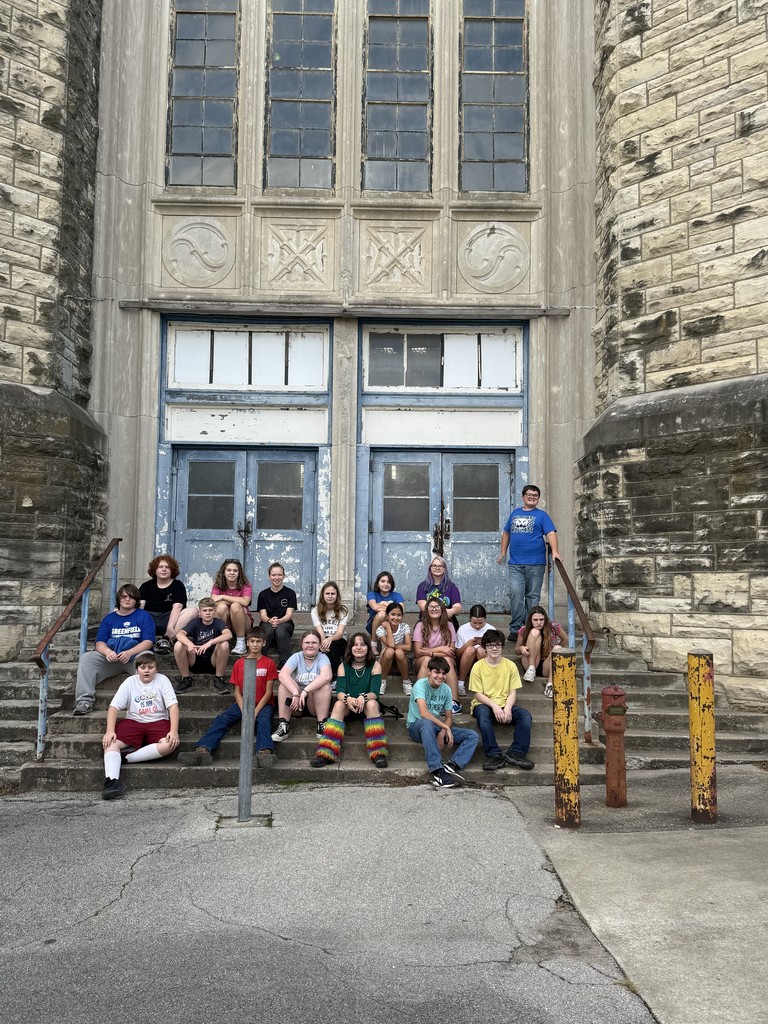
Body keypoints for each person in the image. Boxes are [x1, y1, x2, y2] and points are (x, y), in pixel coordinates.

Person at [177, 627, 279, 769]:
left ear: (263, 643)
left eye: (258, 641)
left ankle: (264, 752)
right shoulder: (239, 663)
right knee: (222, 719)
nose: (255, 644)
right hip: (242, 702)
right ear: (247, 643)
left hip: (263, 703)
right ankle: (202, 749)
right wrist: (244, 709)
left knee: (263, 721)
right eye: (252, 641)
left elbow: (269, 692)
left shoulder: (269, 663)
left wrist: (255, 711)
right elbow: (236, 691)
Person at [100, 652, 179, 800]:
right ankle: (111, 782)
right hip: (134, 722)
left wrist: (174, 732)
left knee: (170, 744)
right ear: (137, 670)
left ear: (156, 669)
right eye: (143, 667)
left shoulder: (163, 680)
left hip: (158, 721)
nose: (147, 670)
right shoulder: (130, 682)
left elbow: (173, 707)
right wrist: (109, 731)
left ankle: (127, 758)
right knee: (110, 743)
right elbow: (113, 707)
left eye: (151, 667)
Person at [73, 584, 156, 716]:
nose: (127, 599)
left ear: (136, 600)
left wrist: (130, 652)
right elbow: (99, 642)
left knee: (147, 658)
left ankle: (146, 703)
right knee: (86, 658)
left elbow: (148, 642)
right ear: (118, 599)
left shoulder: (144, 616)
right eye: (124, 597)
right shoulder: (109, 619)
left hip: (134, 657)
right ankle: (84, 701)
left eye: (131, 597)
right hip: (111, 658)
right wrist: (108, 652)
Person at [310, 632, 388, 769]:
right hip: (348, 705)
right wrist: (349, 699)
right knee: (339, 704)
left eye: (363, 645)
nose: (359, 647)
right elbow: (340, 692)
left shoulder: (375, 666)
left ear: (368, 648)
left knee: (371, 703)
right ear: (350, 648)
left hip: (368, 707)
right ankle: (326, 752)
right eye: (355, 645)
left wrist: (362, 698)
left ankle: (378, 753)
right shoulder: (343, 666)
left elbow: (375, 693)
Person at [497, 484, 561, 639]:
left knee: (532, 596)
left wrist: (555, 551)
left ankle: (529, 628)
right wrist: (503, 553)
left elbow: (551, 533)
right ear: (523, 497)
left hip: (536, 563)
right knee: (516, 594)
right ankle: (515, 628)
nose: (532, 498)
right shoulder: (515, 514)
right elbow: (506, 533)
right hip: (516, 564)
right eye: (529, 495)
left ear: (538, 499)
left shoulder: (542, 516)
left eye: (535, 496)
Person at [406, 656, 479, 789]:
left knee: (472, 735)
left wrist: (443, 731)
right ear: (429, 671)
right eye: (436, 672)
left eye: (444, 673)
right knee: (426, 723)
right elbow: (424, 713)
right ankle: (437, 770)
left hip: (435, 727)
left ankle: (452, 765)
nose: (440, 676)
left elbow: (449, 717)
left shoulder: (446, 690)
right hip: (416, 726)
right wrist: (445, 727)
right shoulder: (420, 685)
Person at [470, 629, 534, 772]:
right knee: (483, 716)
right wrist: (494, 706)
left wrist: (508, 708)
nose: (494, 648)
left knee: (525, 715)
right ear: (485, 647)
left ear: (502, 647)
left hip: (505, 704)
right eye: (491, 645)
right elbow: (478, 694)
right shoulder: (478, 666)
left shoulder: (510, 666)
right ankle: (494, 754)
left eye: (498, 645)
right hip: (484, 704)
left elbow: (512, 692)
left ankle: (517, 752)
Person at [272, 629, 332, 742]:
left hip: (314, 703)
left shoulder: (322, 657)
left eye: (314, 643)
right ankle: (283, 726)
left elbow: (327, 676)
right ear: (301, 644)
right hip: (296, 704)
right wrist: (296, 693)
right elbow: (282, 675)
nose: (310, 645)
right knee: (284, 685)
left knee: (325, 685)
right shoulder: (296, 657)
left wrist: (306, 691)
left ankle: (322, 725)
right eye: (307, 642)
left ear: (319, 645)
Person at [138, 554, 197, 654]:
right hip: (149, 619)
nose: (164, 569)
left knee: (193, 611)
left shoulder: (178, 585)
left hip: (170, 619)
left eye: (167, 567)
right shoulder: (146, 586)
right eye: (160, 567)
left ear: (172, 570)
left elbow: (177, 607)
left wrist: (170, 627)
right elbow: (139, 606)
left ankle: (165, 639)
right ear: (154, 570)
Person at [173, 596, 232, 694]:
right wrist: (189, 643)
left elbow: (228, 634)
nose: (208, 613)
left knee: (224, 644)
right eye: (205, 610)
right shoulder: (196, 622)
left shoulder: (218, 622)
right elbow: (179, 634)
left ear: (214, 611)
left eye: (210, 610)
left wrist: (210, 642)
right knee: (179, 645)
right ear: (200, 613)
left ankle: (219, 679)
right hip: (195, 659)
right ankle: (186, 679)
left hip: (213, 661)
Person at [412, 598, 461, 715]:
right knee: (426, 660)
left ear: (442, 609)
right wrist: (439, 650)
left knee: (448, 660)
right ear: (426, 610)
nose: (434, 609)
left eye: (437, 606)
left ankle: (454, 702)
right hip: (422, 660)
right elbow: (418, 652)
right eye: (431, 607)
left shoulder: (449, 625)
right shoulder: (420, 625)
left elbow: (451, 652)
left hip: (444, 661)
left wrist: (430, 652)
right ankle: (420, 699)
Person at [515, 605, 567, 698]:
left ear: (545, 619)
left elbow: (564, 639)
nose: (539, 622)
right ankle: (531, 669)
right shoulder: (524, 629)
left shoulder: (553, 626)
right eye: (535, 620)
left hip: (546, 665)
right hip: (530, 661)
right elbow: (516, 650)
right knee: (535, 632)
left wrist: (556, 651)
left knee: (558, 648)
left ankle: (550, 684)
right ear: (530, 620)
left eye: (541, 619)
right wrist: (522, 648)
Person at [256, 562, 297, 669]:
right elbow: (263, 616)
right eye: (274, 575)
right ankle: (261, 659)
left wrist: (279, 621)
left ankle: (284, 660)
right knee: (267, 630)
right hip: (267, 623)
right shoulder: (263, 594)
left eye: (279, 574)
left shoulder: (290, 593)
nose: (277, 577)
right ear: (269, 576)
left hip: (285, 623)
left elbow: (289, 615)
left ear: (284, 576)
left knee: (281, 630)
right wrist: (270, 620)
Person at [211, 559, 253, 655]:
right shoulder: (217, 585)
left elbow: (246, 601)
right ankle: (220, 639)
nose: (232, 573)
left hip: (243, 624)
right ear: (224, 572)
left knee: (235, 606)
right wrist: (238, 602)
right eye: (229, 570)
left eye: (235, 571)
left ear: (239, 573)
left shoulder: (246, 585)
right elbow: (213, 601)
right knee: (221, 607)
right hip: (226, 624)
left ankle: (241, 643)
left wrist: (222, 597)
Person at [310, 580, 349, 678]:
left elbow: (340, 633)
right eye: (327, 593)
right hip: (323, 638)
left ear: (337, 595)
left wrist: (330, 639)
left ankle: (334, 676)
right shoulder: (315, 611)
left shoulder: (343, 611)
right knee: (324, 649)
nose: (330, 596)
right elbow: (319, 630)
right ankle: (328, 676)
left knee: (334, 646)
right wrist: (323, 642)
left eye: (333, 593)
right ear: (323, 595)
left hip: (338, 639)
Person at [455, 604, 494, 698]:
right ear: (469, 619)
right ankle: (461, 683)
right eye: (474, 623)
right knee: (470, 649)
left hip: (483, 660)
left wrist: (485, 645)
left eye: (480, 623)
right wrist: (467, 645)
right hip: (465, 661)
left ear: (485, 619)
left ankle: (484, 683)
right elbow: (457, 653)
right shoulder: (463, 629)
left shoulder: (491, 629)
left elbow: (495, 652)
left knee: (481, 650)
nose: (477, 626)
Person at [375, 601, 412, 695]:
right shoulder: (381, 629)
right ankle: (382, 681)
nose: (396, 618)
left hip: (401, 662)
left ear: (402, 617)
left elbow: (408, 647)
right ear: (387, 616)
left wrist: (390, 647)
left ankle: (406, 682)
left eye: (399, 615)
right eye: (393, 614)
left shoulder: (405, 627)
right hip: (386, 662)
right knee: (390, 651)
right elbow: (390, 645)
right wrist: (388, 627)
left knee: (398, 652)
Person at [415, 555, 462, 621]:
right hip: (427, 621)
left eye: (440, 566)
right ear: (430, 568)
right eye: (434, 566)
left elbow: (458, 608)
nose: (437, 568)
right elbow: (423, 607)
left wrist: (451, 611)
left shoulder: (452, 587)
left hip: (447, 621)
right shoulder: (422, 586)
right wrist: (440, 613)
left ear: (445, 569)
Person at [365, 571, 405, 636]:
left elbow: (401, 611)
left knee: (388, 615)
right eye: (383, 581)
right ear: (378, 583)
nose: (386, 584)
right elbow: (375, 607)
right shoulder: (372, 594)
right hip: (373, 625)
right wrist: (393, 609)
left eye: (389, 582)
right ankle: (374, 641)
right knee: (382, 614)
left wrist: (384, 603)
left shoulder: (397, 595)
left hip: (393, 623)